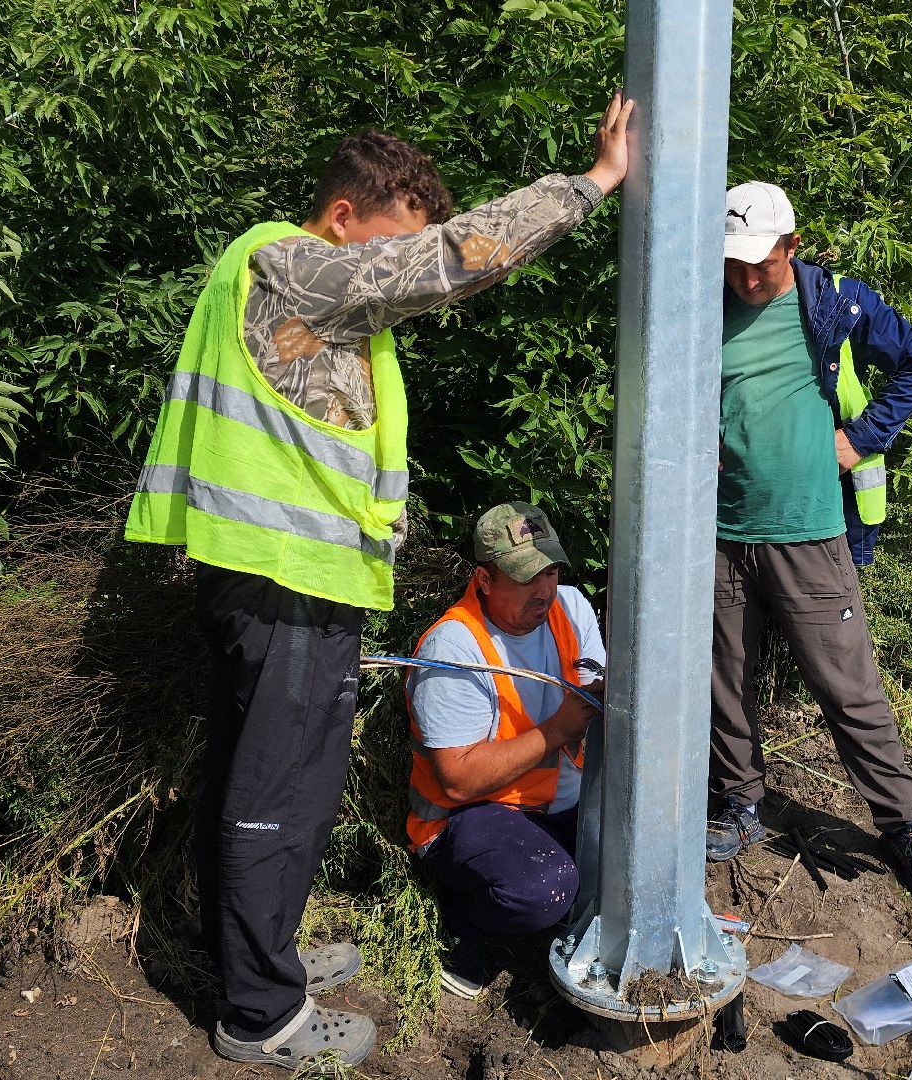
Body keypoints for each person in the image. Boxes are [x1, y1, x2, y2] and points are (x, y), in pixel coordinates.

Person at [124, 96, 634, 1071]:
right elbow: (453, 259)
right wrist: (593, 184)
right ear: (346, 218)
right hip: (281, 580)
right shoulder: (292, 264)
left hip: (291, 582)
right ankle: (259, 1017)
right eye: (392, 242)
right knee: (275, 796)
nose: (396, 272)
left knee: (274, 787)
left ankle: (248, 960)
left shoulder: (295, 290)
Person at [704, 180, 912, 902]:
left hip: (810, 531)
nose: (748, 277)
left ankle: (902, 827)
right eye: (734, 263)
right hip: (719, 531)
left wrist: (863, 438)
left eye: (761, 261)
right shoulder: (699, 299)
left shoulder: (833, 302)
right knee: (726, 679)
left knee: (848, 690)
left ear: (792, 246)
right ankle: (740, 805)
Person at [401, 502, 605, 1000]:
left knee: (643, 861)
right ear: (485, 580)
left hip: (561, 803)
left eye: (552, 571)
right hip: (469, 816)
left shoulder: (570, 608)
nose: (544, 591)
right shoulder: (452, 648)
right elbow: (458, 780)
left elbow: (597, 691)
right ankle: (465, 926)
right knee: (544, 889)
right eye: (526, 577)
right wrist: (557, 731)